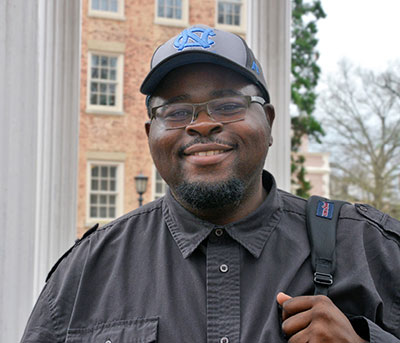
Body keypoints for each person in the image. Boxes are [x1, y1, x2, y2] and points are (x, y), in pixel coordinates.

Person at [21, 24, 400, 343]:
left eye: (229, 105)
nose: (201, 124)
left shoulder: (371, 250)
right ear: (150, 133)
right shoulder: (87, 272)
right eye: (176, 111)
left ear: (268, 122)